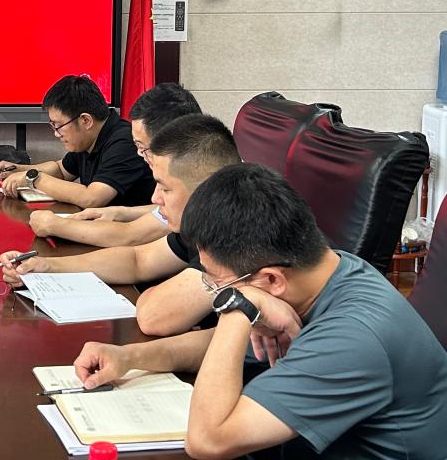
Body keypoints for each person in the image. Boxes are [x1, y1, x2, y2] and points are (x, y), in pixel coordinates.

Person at [73, 164, 447, 460]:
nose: (215, 293)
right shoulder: (327, 270)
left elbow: (207, 441)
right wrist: (130, 357)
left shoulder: (354, 338)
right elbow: (222, 348)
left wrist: (237, 308)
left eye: (218, 284)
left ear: (270, 279)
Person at [0, 114, 241, 336]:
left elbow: (153, 317)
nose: (155, 198)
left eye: (165, 188)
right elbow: (138, 260)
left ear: (207, 189)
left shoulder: (235, 232)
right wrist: (45, 266)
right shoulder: (202, 219)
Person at [27, 83, 201, 247]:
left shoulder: (124, 142)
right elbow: (138, 259)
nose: (156, 198)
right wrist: (120, 212)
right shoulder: (182, 190)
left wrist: (54, 224)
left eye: (142, 148)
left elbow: (129, 237)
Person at [0, 75, 155, 210]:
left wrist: (32, 178)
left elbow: (92, 198)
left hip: (129, 233)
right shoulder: (88, 139)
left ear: (85, 120)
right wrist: (18, 170)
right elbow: (61, 170)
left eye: (59, 125)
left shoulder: (125, 141)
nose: (56, 134)